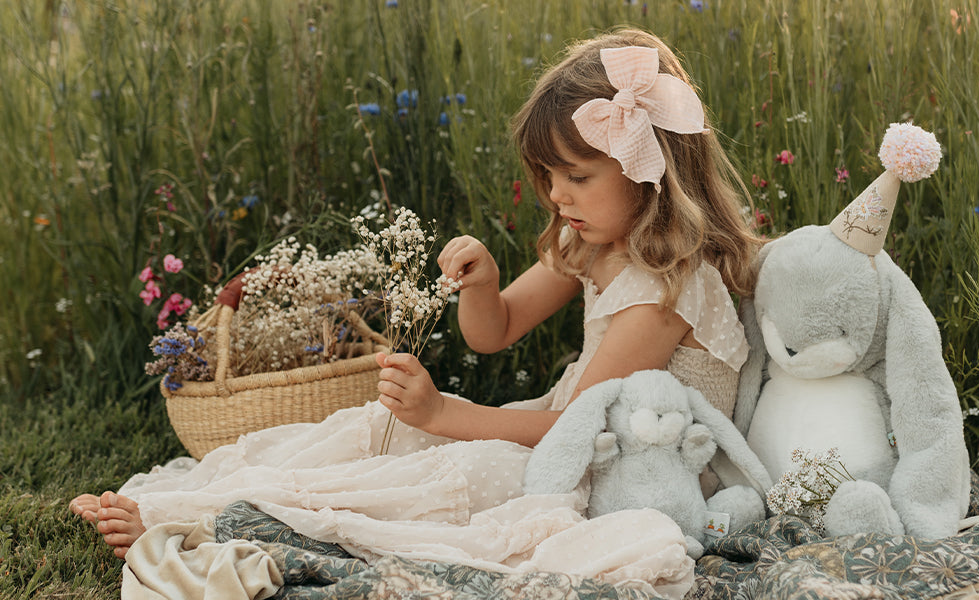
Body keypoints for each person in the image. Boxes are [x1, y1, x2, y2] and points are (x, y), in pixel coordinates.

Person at [70, 27, 761, 592]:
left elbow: (569, 429)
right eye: (548, 176)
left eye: (576, 176)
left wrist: (443, 415)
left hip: (625, 467)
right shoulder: (592, 241)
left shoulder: (669, 290)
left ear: (650, 170)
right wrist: (484, 286)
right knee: (383, 429)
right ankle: (205, 500)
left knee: (451, 470)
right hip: (563, 435)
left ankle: (202, 520)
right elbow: (495, 333)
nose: (557, 196)